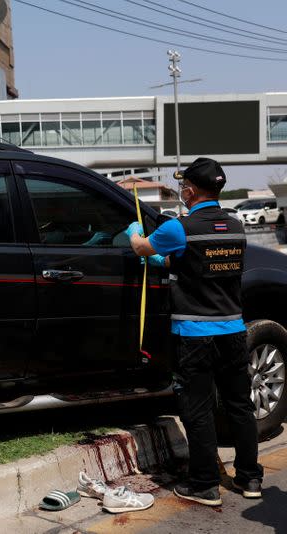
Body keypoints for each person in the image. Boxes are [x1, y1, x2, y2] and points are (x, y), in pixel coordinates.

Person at [125, 157, 263, 506]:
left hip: (195, 334)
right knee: (239, 406)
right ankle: (250, 479)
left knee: (198, 408)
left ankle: (204, 484)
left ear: (191, 190)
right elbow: (205, 263)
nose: (181, 192)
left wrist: (133, 233)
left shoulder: (178, 228)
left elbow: (143, 248)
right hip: (233, 331)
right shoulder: (235, 227)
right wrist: (167, 260)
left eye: (183, 186)